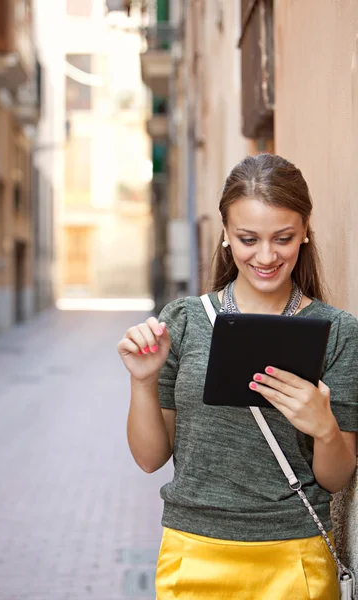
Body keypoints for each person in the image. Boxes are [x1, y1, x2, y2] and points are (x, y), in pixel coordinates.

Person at [117, 154, 358, 599]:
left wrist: (325, 428)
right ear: (226, 235)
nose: (266, 256)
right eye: (248, 239)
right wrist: (142, 381)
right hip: (192, 554)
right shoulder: (184, 321)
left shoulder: (339, 331)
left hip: (294, 557)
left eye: (283, 238)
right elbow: (150, 459)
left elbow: (336, 477)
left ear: (305, 231)